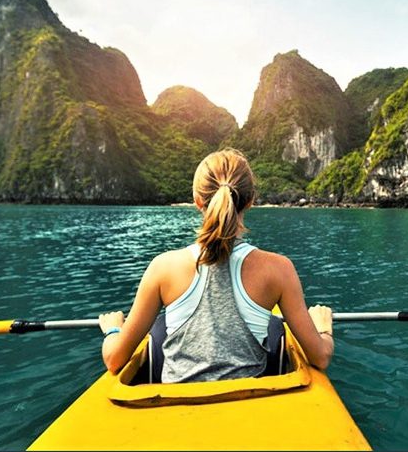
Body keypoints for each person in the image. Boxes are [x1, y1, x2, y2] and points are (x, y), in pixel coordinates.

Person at [98, 148, 334, 382]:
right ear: (250, 200)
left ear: (197, 200)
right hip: (247, 409)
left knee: (158, 331)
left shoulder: (163, 267)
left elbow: (114, 359)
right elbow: (320, 357)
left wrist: (113, 330)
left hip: (175, 410)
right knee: (275, 329)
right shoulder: (279, 269)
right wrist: (323, 328)